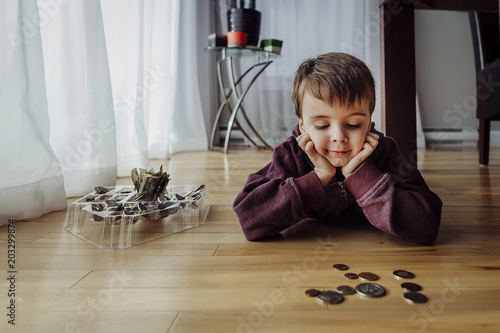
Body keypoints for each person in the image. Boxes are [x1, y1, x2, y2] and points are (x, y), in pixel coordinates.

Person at [233, 52, 442, 244]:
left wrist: (361, 177)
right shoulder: (292, 153)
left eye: (353, 125)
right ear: (303, 125)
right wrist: (319, 177)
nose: (339, 137)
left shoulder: (383, 151)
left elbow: (427, 223)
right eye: (322, 125)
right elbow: (249, 218)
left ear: (369, 123)